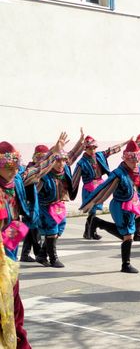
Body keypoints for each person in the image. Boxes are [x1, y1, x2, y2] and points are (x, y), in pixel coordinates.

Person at [0, 134, 66, 349]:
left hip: (9, 248)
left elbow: (38, 169)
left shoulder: (18, 179)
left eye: (15, 164)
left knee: (13, 301)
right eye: (7, 165)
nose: (13, 169)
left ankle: (18, 343)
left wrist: (55, 151)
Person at [81, 141, 140, 273]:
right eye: (132, 160)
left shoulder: (138, 169)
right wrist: (92, 202)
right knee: (128, 235)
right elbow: (105, 189)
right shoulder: (118, 173)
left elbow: (139, 186)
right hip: (119, 206)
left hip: (131, 203)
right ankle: (126, 265)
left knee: (128, 234)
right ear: (126, 158)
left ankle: (98, 222)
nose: (135, 163)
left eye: (137, 160)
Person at [37, 136, 85, 268]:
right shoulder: (44, 175)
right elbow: (39, 168)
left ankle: (42, 254)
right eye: (58, 161)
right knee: (52, 229)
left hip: (59, 204)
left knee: (60, 228)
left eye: (63, 161)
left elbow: (73, 155)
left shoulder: (65, 170)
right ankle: (53, 258)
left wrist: (81, 143)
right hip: (46, 206)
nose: (61, 164)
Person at [72, 135, 130, 240]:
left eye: (94, 148)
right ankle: (90, 231)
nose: (92, 150)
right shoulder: (81, 163)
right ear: (85, 149)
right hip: (89, 188)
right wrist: (69, 191)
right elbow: (75, 179)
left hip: (99, 186)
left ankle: (89, 231)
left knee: (93, 211)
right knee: (91, 210)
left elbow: (111, 150)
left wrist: (125, 143)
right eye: (90, 148)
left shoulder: (99, 156)